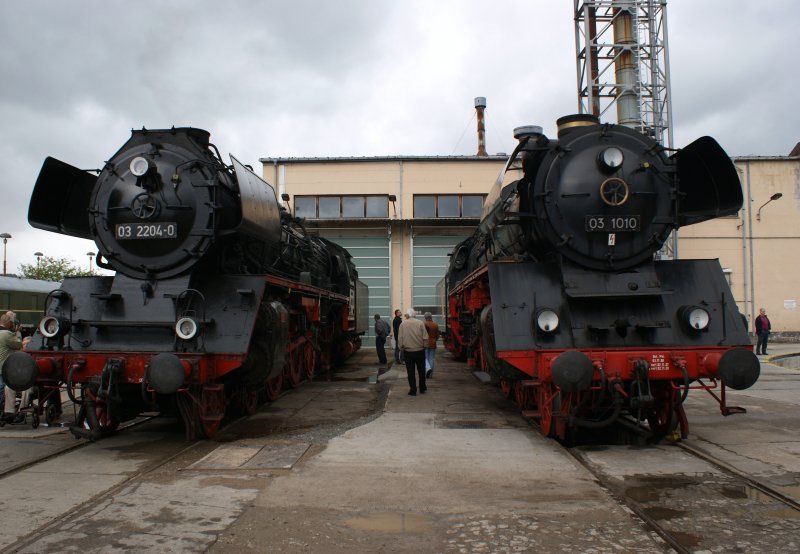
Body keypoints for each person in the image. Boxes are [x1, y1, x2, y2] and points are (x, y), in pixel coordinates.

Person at [0, 312, 24, 423]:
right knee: (2, 390)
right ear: (10, 323)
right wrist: (18, 332)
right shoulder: (6, 334)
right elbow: (19, 344)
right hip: (3, 368)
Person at [398, 308, 427, 396]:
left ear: (408, 315)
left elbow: (400, 338)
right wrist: (425, 347)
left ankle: (413, 390)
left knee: (410, 372)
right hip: (420, 351)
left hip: (408, 352)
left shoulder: (403, 324)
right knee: (421, 371)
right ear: (414, 315)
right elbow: (425, 336)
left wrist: (401, 348)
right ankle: (422, 388)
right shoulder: (420, 323)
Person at [423, 312, 440, 378]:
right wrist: (434, 340)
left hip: (425, 343)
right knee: (431, 358)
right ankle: (430, 375)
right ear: (431, 317)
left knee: (425, 358)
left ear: (425, 317)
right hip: (433, 343)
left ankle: (427, 369)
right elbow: (437, 336)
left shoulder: (424, 324)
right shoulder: (435, 325)